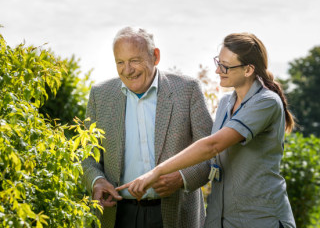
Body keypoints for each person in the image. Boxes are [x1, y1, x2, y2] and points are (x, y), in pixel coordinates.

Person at [117, 33, 296, 228]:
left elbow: (212, 146)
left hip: (261, 219)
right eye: (219, 62)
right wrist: (178, 177)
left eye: (226, 66)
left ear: (248, 70)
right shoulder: (226, 103)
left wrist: (155, 172)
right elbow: (211, 160)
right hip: (221, 218)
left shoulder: (266, 102)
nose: (218, 70)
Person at [81, 26, 213, 228]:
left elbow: (211, 153)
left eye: (134, 60)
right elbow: (87, 157)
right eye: (120, 62)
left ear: (155, 56)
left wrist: (181, 178)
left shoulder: (187, 90)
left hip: (175, 213)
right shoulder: (100, 95)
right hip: (117, 215)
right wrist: (96, 180)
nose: (127, 70)